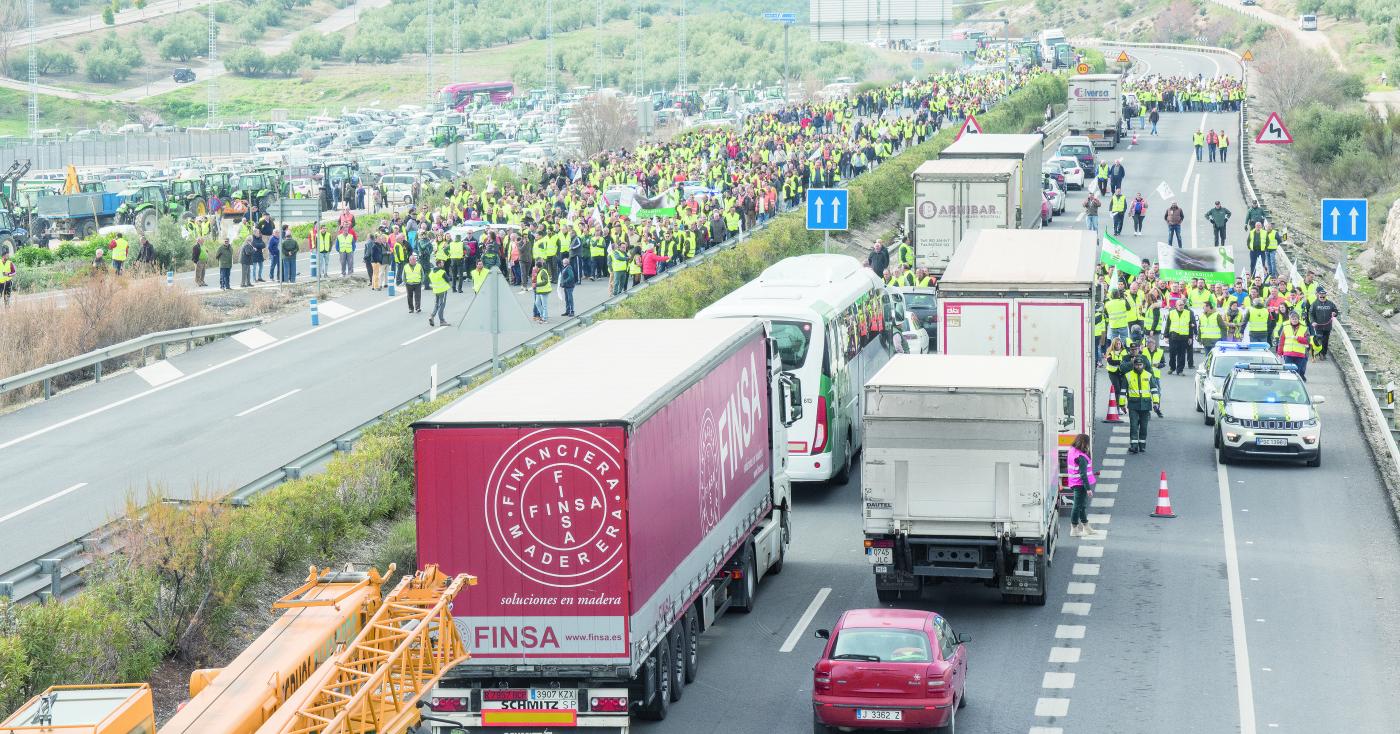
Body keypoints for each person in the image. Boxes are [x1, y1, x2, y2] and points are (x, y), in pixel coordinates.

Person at [1125, 356, 1160, 454]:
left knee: (1144, 426)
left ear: (1143, 365)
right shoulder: (1128, 375)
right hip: (1133, 405)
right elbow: (1123, 391)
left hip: (1145, 404)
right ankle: (1134, 446)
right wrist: (1122, 404)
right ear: (1134, 365)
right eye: (1136, 365)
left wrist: (1156, 402)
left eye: (1140, 365)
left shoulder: (1148, 375)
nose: (1138, 366)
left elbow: (1154, 390)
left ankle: (1142, 445)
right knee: (1133, 426)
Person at [1066, 433, 1096, 537]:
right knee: (1077, 506)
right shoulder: (1081, 457)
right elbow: (1083, 474)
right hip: (1080, 484)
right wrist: (1088, 489)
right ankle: (1074, 529)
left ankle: (1086, 527)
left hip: (1074, 481)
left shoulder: (1072, 451)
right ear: (1085, 443)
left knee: (1081, 506)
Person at [1277, 310, 1311, 379]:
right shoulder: (1285, 327)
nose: (1294, 320)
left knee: (1297, 373)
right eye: (1293, 319)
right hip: (1288, 354)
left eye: (1296, 319)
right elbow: (1281, 341)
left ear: (1298, 319)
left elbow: (1307, 341)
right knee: (1288, 372)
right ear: (1290, 319)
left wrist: (1298, 338)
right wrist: (1279, 353)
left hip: (1299, 354)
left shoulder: (1304, 328)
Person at [1309, 287, 1338, 360]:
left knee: (1325, 341)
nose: (1322, 297)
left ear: (1325, 295)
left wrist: (1335, 313)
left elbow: (1336, 311)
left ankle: (1323, 354)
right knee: (1319, 340)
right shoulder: (1314, 304)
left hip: (1327, 326)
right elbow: (1311, 314)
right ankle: (1319, 353)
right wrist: (1313, 322)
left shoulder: (1330, 303)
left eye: (1323, 295)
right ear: (1318, 295)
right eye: (1321, 295)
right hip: (1318, 326)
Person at [1165, 300, 1194, 375]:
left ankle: (1180, 370)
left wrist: (1190, 337)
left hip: (1183, 337)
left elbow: (1190, 326)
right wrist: (1166, 336)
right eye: (1180, 305)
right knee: (1172, 354)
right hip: (1173, 336)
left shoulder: (1188, 313)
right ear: (1176, 306)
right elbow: (1167, 325)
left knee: (1182, 355)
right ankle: (1172, 368)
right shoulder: (1172, 313)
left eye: (1182, 304)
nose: (1181, 306)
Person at [428, 259, 449, 326]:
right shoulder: (442, 272)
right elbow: (448, 280)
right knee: (442, 305)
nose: (443, 264)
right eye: (442, 263)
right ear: (439, 264)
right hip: (443, 290)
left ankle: (432, 316)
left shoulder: (431, 272)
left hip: (436, 290)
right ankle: (442, 321)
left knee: (436, 304)